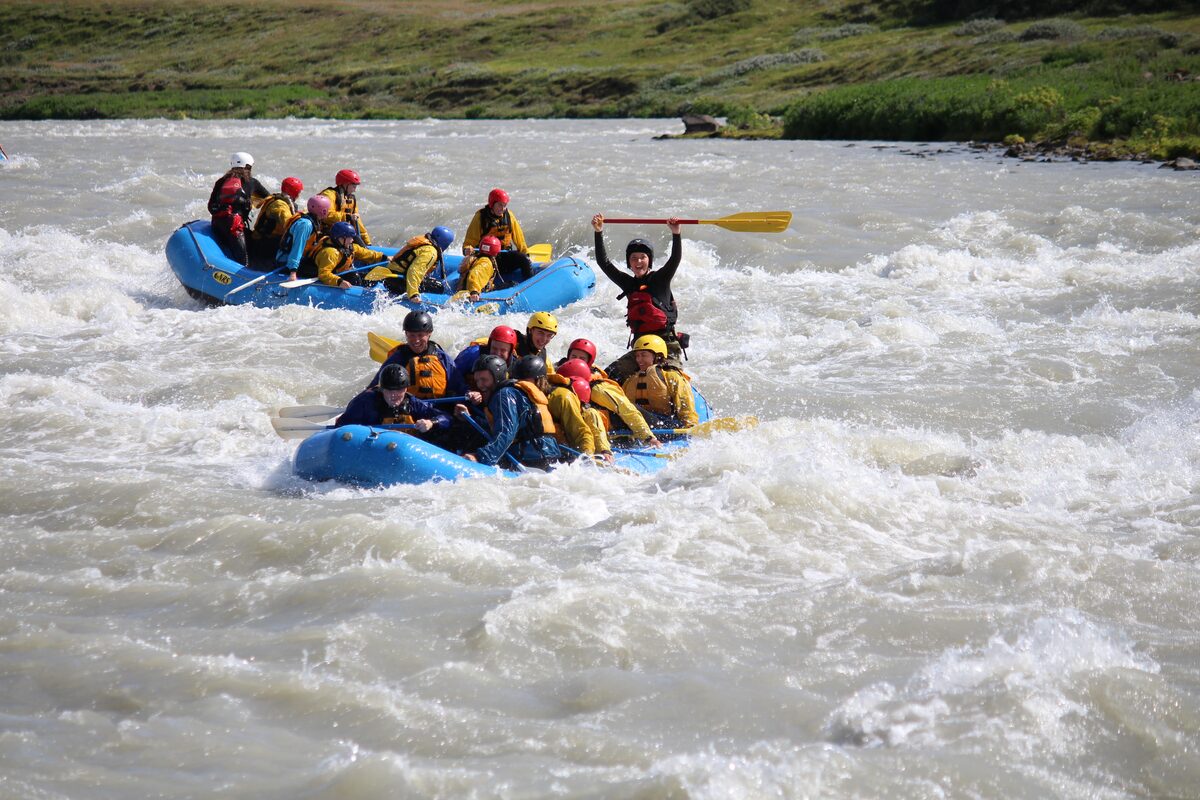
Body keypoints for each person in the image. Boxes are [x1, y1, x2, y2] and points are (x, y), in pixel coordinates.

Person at [591, 213, 688, 383]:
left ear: (649, 260)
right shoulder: (628, 284)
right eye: (633, 258)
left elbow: (674, 259)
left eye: (642, 257)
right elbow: (603, 263)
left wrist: (676, 233)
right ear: (629, 262)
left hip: (665, 347)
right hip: (641, 349)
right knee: (608, 375)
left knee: (672, 382)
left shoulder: (660, 279)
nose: (638, 261)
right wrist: (598, 232)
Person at [455, 354, 562, 470]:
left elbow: (506, 433)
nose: (480, 385)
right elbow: (501, 428)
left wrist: (481, 457)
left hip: (532, 460)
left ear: (497, 378)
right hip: (545, 456)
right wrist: (469, 418)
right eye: (477, 380)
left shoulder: (504, 395)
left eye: (484, 380)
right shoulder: (512, 393)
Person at [556, 343, 661, 447]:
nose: (577, 361)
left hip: (625, 421)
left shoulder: (598, 388)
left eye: (582, 358)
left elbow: (626, 409)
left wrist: (648, 437)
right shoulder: (561, 375)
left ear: (589, 362)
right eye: (573, 356)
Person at [371, 310, 467, 400]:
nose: (416, 340)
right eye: (412, 335)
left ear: (429, 334)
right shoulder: (397, 358)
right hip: (407, 410)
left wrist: (471, 394)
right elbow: (375, 387)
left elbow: (460, 387)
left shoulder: (442, 358)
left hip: (439, 411)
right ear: (406, 334)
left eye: (420, 335)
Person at [335, 364, 450, 436]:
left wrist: (432, 422)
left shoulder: (412, 403)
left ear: (406, 389)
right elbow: (341, 428)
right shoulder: (365, 402)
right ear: (382, 389)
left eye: (399, 390)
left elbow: (446, 418)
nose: (394, 395)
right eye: (389, 390)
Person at [516, 355, 594, 457]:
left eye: (527, 382)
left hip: (563, 448)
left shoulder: (561, 398)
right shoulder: (516, 394)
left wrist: (586, 456)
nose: (524, 386)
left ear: (539, 381)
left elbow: (580, 432)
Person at [620, 334, 698, 430]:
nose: (639, 360)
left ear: (658, 356)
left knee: (631, 408)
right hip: (640, 425)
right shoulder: (630, 380)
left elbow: (685, 407)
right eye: (637, 356)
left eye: (643, 355)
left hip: (665, 425)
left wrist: (690, 427)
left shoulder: (672, 377)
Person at [207, 152, 270, 266]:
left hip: (217, 225)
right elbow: (269, 198)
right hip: (234, 227)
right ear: (248, 166)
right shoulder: (252, 182)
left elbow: (211, 206)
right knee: (243, 260)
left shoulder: (221, 181)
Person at [463, 188, 532, 281]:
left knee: (523, 259)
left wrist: (525, 253)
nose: (502, 209)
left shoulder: (509, 216)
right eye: (500, 205)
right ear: (492, 204)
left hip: (503, 256)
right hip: (486, 258)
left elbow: (519, 237)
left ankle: (529, 283)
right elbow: (469, 241)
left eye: (504, 205)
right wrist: (467, 249)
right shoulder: (480, 217)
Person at [299, 221, 387, 289]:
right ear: (341, 238)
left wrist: (384, 257)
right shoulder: (330, 253)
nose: (352, 240)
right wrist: (339, 282)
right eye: (350, 237)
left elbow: (367, 253)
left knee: (371, 278)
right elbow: (324, 274)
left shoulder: (349, 247)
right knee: (354, 278)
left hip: (341, 272)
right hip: (326, 274)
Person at [383, 226, 455, 302]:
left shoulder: (425, 242)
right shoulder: (430, 252)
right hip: (398, 282)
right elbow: (414, 271)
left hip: (391, 278)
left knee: (428, 280)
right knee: (438, 287)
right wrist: (413, 294)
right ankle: (410, 297)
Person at [247, 176, 303, 267]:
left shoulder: (281, 200)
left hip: (267, 240)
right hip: (264, 243)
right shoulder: (280, 205)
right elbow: (288, 223)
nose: (299, 195)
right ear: (295, 192)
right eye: (299, 192)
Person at [275, 195, 331, 281]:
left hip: (299, 259)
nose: (329, 212)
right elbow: (297, 248)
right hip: (285, 262)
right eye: (328, 209)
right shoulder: (305, 225)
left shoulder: (314, 221)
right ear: (323, 211)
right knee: (318, 272)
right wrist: (293, 271)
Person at [319, 169, 371, 245]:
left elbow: (358, 223)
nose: (355, 190)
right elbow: (326, 215)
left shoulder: (351, 199)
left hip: (344, 234)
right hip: (327, 233)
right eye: (353, 186)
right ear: (345, 184)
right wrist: (347, 217)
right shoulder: (329, 195)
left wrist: (367, 242)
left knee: (360, 242)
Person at [453, 325, 519, 383]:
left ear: (510, 351)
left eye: (503, 350)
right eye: (494, 348)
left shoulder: (515, 368)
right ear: (489, 345)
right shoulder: (472, 353)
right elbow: (452, 374)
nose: (497, 354)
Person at [571, 377, 614, 462]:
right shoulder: (569, 409)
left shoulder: (590, 413)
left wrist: (604, 451)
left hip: (590, 447)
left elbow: (597, 431)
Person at [450, 235, 500, 302]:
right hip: (469, 291)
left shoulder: (475, 257)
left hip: (463, 288)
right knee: (512, 284)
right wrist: (474, 292)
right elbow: (474, 275)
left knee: (505, 284)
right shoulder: (486, 263)